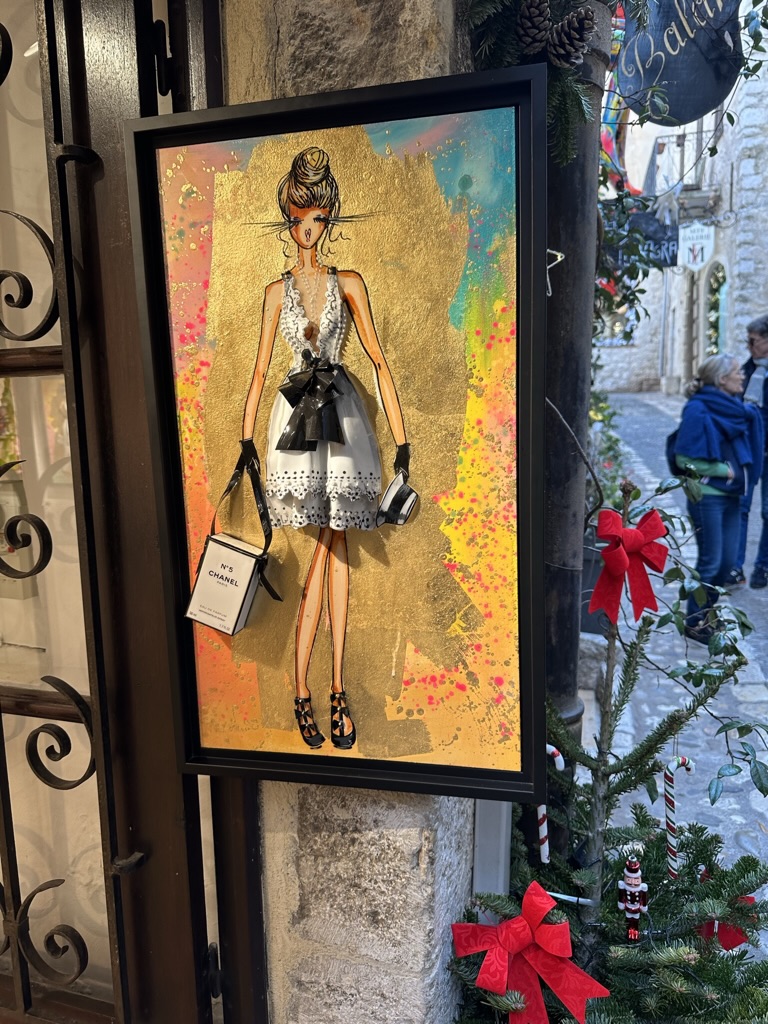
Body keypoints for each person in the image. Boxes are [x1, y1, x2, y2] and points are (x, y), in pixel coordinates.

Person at [241, 147, 410, 750]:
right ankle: (319, 691)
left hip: (342, 418)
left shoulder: (349, 283)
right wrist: (245, 442)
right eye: (296, 218)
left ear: (329, 216)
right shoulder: (274, 292)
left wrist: (403, 441)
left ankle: (315, 690)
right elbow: (259, 370)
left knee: (332, 543)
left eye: (314, 217)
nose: (306, 228)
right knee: (327, 545)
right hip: (294, 423)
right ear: (287, 220)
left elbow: (379, 360)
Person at [674, 353, 763, 644]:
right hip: (708, 498)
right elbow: (683, 458)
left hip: (732, 496)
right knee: (711, 562)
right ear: (722, 378)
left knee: (726, 565)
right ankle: (694, 621)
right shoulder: (698, 409)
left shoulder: (736, 409)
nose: (742, 376)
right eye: (737, 371)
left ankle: (707, 615)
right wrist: (722, 470)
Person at [728, 316, 768, 589]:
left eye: (753, 341)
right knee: (740, 508)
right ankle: (735, 568)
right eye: (748, 341)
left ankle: (763, 567)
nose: (749, 346)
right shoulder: (745, 371)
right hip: (748, 452)